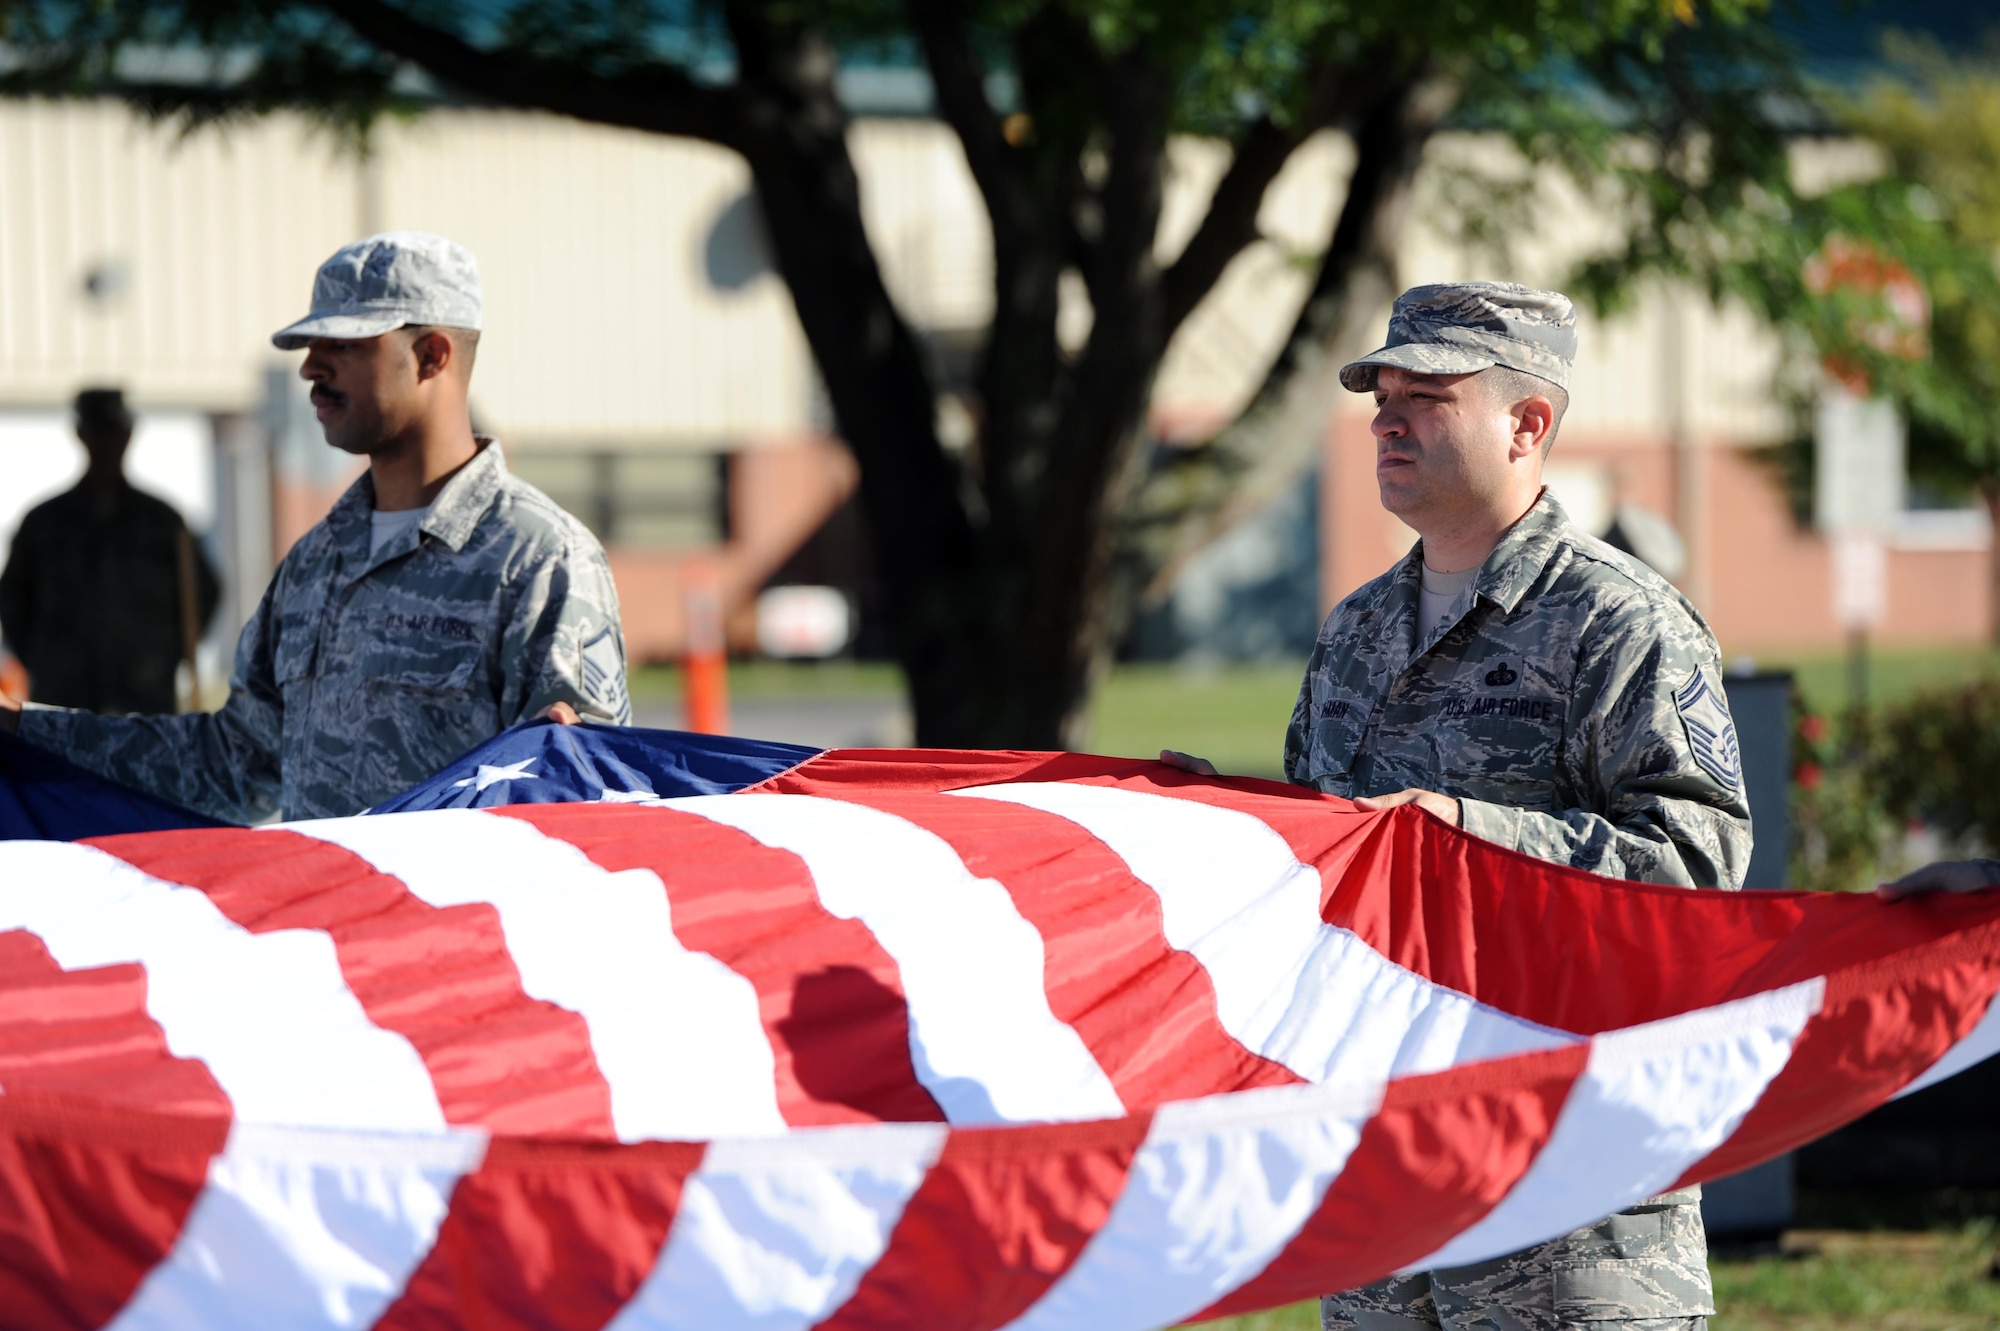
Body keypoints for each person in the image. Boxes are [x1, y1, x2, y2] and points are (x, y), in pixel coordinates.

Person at [1170, 282, 1751, 1330]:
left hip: (1567, 1195)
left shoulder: (1617, 621)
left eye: (1426, 393)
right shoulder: (1353, 630)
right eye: (1379, 394)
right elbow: (1328, 861)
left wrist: (1460, 832)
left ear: (1528, 422)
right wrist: (1215, 819)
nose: (1385, 418)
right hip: (1383, 1182)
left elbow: (1694, 864)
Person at [0, 230, 630, 822]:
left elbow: (580, 809)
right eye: (311, 347)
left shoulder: (540, 560)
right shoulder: (316, 563)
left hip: (454, 934)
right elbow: (233, 767)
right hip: (329, 934)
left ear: (431, 355)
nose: (310, 368)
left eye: (345, 346)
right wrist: (23, 731)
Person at [0, 388, 220, 714]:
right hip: (64, 699)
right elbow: (12, 599)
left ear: (128, 434)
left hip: (143, 698)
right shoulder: (44, 523)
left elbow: (204, 593)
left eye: (113, 432)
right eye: (97, 432)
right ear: (81, 435)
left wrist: (166, 655)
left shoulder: (163, 521)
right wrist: (44, 660)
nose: (106, 443)